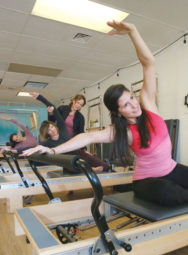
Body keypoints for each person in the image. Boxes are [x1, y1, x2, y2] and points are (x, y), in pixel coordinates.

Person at [23, 20, 188, 206]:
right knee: (176, 195)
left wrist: (133, 30)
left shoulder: (149, 106)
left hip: (171, 169)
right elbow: (86, 137)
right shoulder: (123, 131)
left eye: (132, 98)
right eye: (126, 105)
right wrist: (52, 150)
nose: (134, 105)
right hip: (146, 180)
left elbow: (149, 63)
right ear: (118, 113)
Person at [29, 93, 110, 172]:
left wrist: (84, 149)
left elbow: (81, 133)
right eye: (78, 102)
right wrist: (45, 104)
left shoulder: (79, 118)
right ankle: (91, 169)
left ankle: (95, 168)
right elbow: (53, 117)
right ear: (74, 100)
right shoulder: (63, 110)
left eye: (81, 105)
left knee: (104, 166)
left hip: (74, 145)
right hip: (64, 151)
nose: (78, 105)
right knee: (72, 164)